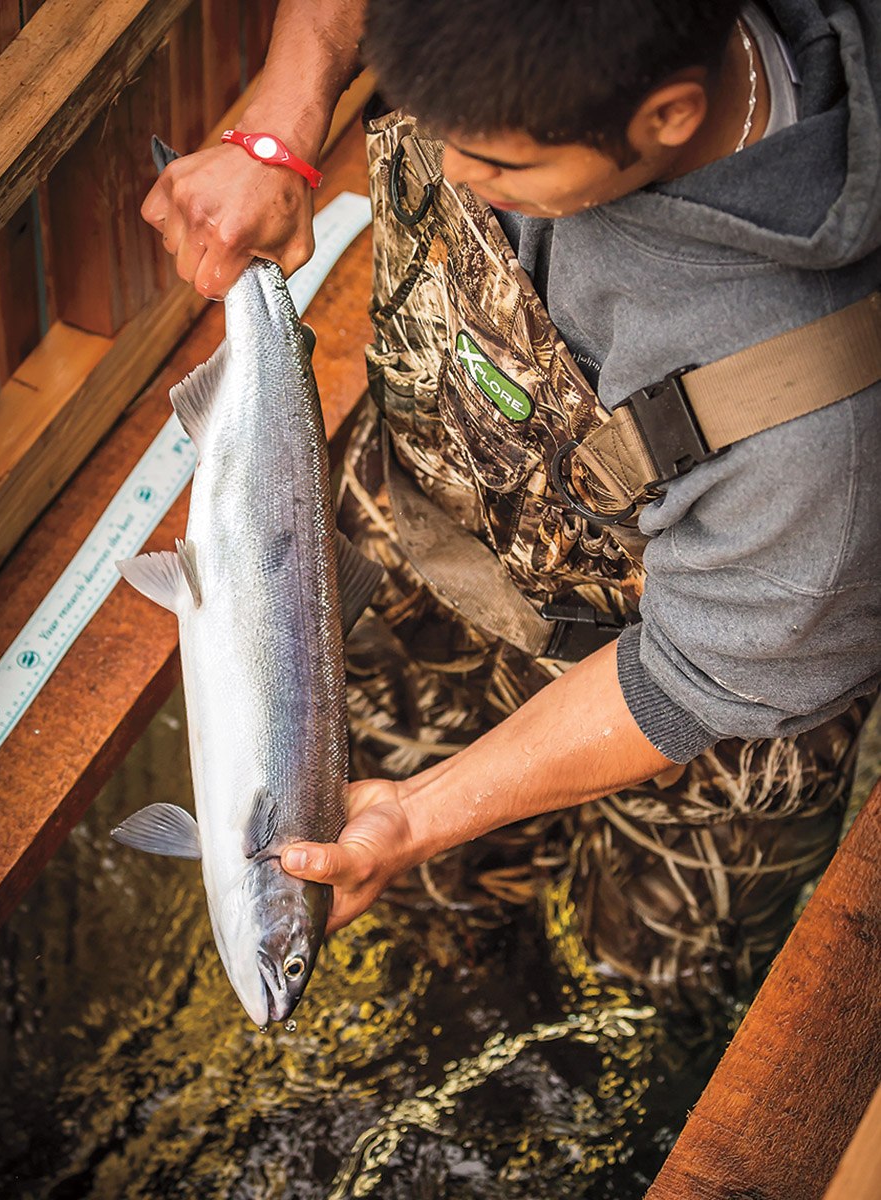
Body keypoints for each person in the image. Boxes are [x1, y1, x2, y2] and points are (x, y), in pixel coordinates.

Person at [143, 0, 880, 1004]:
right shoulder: (522, 76)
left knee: (631, 987)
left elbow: (692, 677)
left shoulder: (815, 429)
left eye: (498, 167)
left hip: (706, 722)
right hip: (433, 536)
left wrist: (421, 816)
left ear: (668, 115)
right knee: (426, 928)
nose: (449, 175)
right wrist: (281, 126)